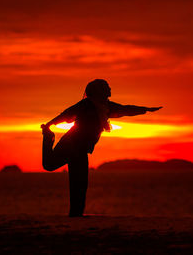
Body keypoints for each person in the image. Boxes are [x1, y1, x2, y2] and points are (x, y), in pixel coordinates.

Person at [41, 79, 162, 217]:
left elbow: (125, 109)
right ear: (99, 91)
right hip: (71, 144)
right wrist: (50, 124)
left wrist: (145, 109)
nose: (110, 89)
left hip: (80, 149)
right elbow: (67, 113)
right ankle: (47, 137)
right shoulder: (86, 105)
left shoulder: (105, 106)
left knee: (80, 183)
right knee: (54, 168)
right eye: (107, 87)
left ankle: (76, 215)